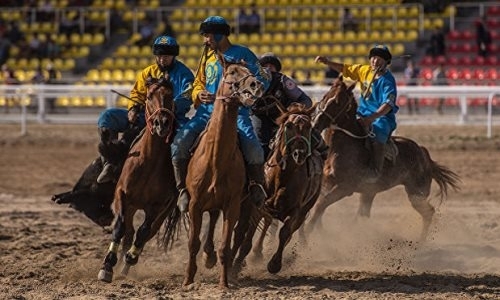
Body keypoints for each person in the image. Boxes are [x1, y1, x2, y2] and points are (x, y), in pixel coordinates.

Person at [171, 16, 270, 213]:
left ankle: (257, 187)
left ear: (219, 35)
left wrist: (250, 93)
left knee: (254, 149)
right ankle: (182, 189)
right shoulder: (206, 58)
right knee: (178, 144)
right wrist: (198, 93)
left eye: (207, 36)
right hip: (205, 113)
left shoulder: (244, 54)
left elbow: (264, 78)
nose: (205, 40)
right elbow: (198, 82)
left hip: (237, 115)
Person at [96, 35, 194, 184]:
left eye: (166, 57)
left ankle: (183, 182)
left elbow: (188, 95)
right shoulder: (147, 72)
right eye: (159, 56)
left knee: (186, 140)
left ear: (174, 56)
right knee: (107, 117)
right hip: (146, 116)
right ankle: (109, 163)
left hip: (173, 119)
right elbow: (137, 94)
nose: (162, 60)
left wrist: (170, 107)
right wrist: (133, 109)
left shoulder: (184, 74)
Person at [315, 44, 399, 183]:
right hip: (361, 112)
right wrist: (328, 62)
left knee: (378, 133)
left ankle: (375, 169)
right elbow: (344, 69)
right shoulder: (364, 70)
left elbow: (388, 104)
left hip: (381, 117)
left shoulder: (388, 81)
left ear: (386, 62)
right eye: (373, 58)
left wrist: (371, 118)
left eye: (379, 59)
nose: (375, 61)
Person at [252, 52, 325, 160]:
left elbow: (305, 100)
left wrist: (292, 111)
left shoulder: (283, 81)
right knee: (257, 142)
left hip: (284, 116)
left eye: (271, 66)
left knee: (308, 133)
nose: (268, 69)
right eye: (265, 66)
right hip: (260, 116)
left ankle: (323, 155)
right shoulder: (252, 81)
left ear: (276, 69)